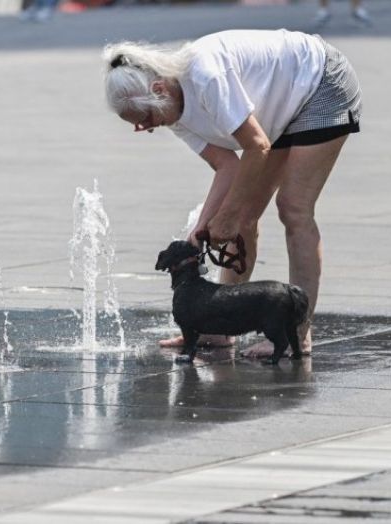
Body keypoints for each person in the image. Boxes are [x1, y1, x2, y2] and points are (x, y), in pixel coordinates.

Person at [102, 30, 362, 359]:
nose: (147, 129)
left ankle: (299, 331)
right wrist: (199, 231)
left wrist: (226, 217)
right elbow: (227, 167)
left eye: (145, 119)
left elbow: (257, 146)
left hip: (320, 82)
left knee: (293, 208)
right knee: (245, 218)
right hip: (279, 110)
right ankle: (219, 327)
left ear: (158, 89)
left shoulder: (205, 76)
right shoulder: (172, 109)